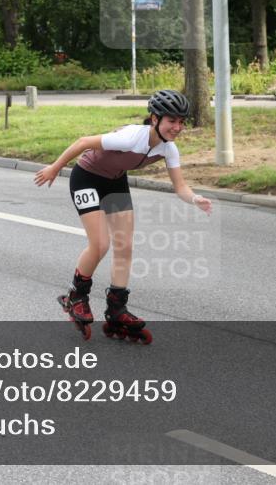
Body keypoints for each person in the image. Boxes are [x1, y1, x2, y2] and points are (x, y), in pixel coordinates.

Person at [33, 89, 212, 343]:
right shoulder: (130, 137)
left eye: (181, 122)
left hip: (115, 183)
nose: (177, 127)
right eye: (172, 120)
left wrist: (195, 199)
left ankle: (116, 309)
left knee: (125, 245)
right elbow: (83, 142)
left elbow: (180, 187)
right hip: (87, 178)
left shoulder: (169, 149)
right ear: (154, 119)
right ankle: (76, 296)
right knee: (100, 244)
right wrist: (54, 168)